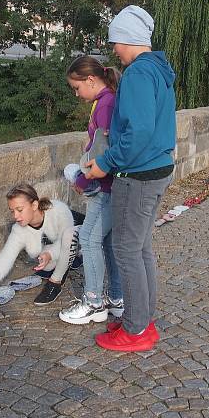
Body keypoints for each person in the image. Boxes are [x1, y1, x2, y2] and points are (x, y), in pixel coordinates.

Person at [84, 5, 176, 352]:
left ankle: (137, 329)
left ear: (128, 39)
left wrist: (105, 163)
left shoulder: (138, 74)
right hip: (157, 168)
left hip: (137, 174)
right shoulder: (157, 70)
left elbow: (137, 131)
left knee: (126, 250)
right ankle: (142, 319)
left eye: (116, 43)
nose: (114, 50)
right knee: (140, 249)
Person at [58, 56, 124, 325]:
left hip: (104, 189)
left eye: (77, 87)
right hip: (109, 186)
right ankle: (117, 299)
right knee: (107, 241)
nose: (76, 93)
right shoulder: (104, 101)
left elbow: (103, 152)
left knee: (88, 239)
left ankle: (94, 302)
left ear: (91, 80)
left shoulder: (106, 104)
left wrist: (83, 182)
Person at [0, 184, 76, 311]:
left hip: (82, 237)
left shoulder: (58, 209)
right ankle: (71, 260)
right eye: (12, 211)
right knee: (48, 265)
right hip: (54, 251)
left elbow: (66, 239)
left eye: (19, 210)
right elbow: (3, 261)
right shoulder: (18, 230)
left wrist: (49, 255)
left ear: (34, 205)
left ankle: (55, 283)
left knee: (69, 237)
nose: (15, 216)